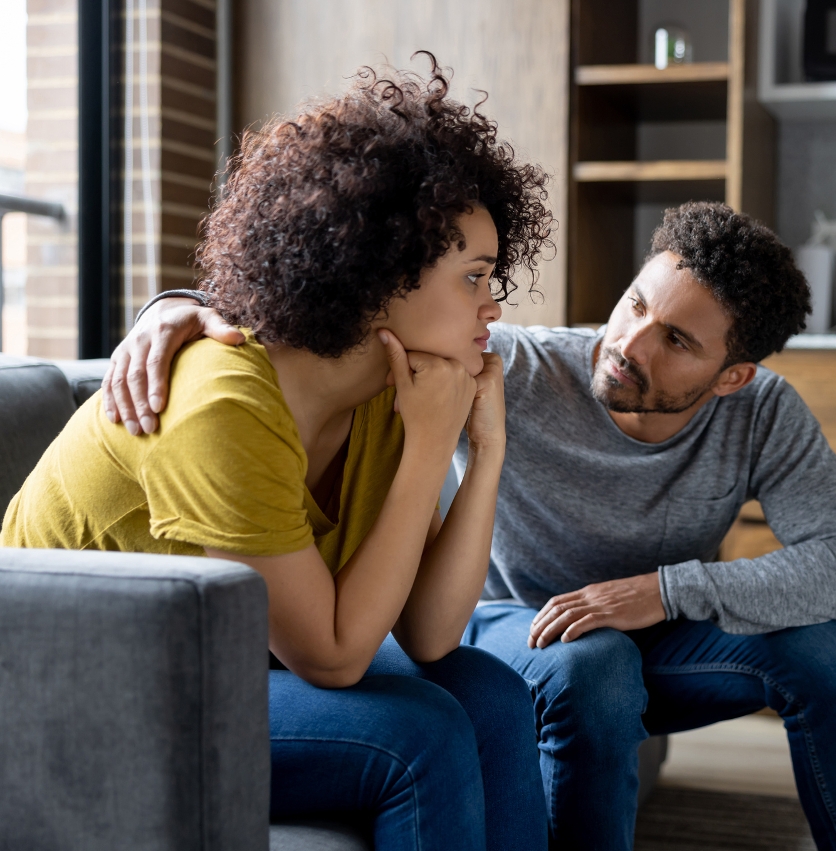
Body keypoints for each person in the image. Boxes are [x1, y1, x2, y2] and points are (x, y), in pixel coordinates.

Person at [105, 202, 836, 851]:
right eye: (635, 305)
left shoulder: (765, 416)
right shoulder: (519, 367)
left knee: (825, 648)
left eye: (677, 340)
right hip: (507, 629)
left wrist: (665, 591)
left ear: (733, 377)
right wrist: (178, 307)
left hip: (652, 631)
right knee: (595, 665)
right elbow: (342, 316)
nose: (628, 344)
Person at [2, 62, 554, 851]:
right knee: (417, 731)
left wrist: (485, 450)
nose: (493, 307)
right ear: (375, 271)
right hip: (68, 690)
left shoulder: (387, 395)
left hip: (216, 662)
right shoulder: (221, 397)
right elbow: (333, 657)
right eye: (473, 277)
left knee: (494, 695)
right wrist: (432, 443)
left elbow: (432, 633)